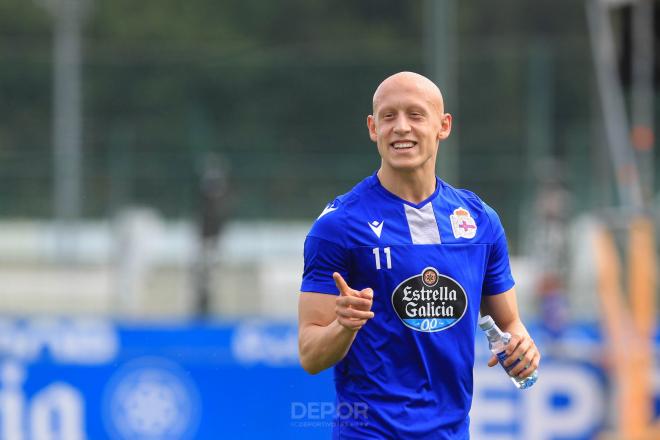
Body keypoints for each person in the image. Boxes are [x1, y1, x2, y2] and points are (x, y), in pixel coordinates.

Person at [298, 71, 540, 439]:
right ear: (372, 128)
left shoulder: (479, 222)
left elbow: (510, 324)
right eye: (389, 116)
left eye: (415, 114)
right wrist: (343, 326)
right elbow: (310, 355)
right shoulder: (339, 227)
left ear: (443, 126)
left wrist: (523, 348)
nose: (401, 127)